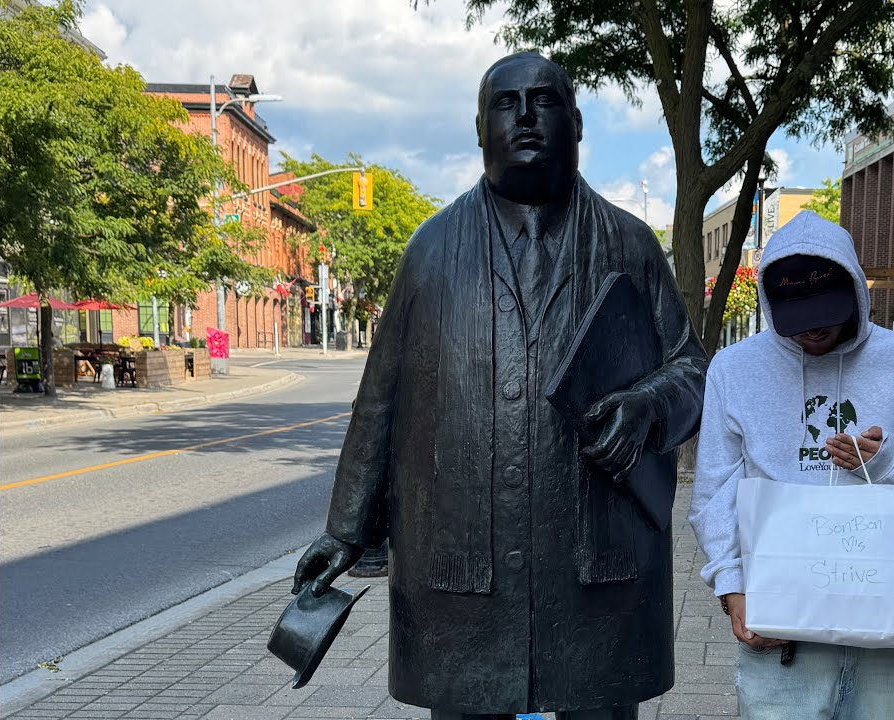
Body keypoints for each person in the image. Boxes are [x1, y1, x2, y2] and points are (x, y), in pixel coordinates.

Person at [290, 52, 707, 720]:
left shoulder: (629, 245)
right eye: (505, 104)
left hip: (598, 571)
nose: (524, 117)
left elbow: (692, 370)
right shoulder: (431, 250)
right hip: (463, 575)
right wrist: (344, 533)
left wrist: (648, 407)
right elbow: (380, 402)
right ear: (480, 127)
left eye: (543, 101)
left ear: (575, 122)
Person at [689, 210, 894, 719]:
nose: (814, 329)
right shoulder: (734, 370)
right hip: (781, 628)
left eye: (827, 311)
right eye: (798, 316)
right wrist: (732, 589)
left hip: (886, 620)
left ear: (857, 295)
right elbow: (715, 489)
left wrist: (890, 462)